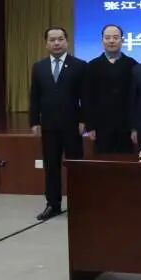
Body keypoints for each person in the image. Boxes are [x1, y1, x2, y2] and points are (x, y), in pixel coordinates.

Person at [29, 27, 87, 221]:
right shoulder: (39, 67)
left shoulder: (79, 65)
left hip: (72, 125)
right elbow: (34, 96)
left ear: (66, 41)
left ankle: (78, 204)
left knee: (75, 166)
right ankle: (52, 204)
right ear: (46, 43)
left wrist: (84, 120)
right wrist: (34, 121)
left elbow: (86, 97)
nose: (56, 43)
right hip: (49, 126)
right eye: (52, 40)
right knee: (51, 166)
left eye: (60, 39)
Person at [84, 24, 138, 154]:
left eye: (115, 37)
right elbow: (87, 97)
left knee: (126, 162)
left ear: (122, 40)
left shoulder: (133, 65)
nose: (111, 41)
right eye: (107, 38)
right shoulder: (92, 66)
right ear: (102, 40)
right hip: (101, 126)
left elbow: (137, 98)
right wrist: (90, 126)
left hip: (126, 126)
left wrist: (135, 127)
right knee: (103, 162)